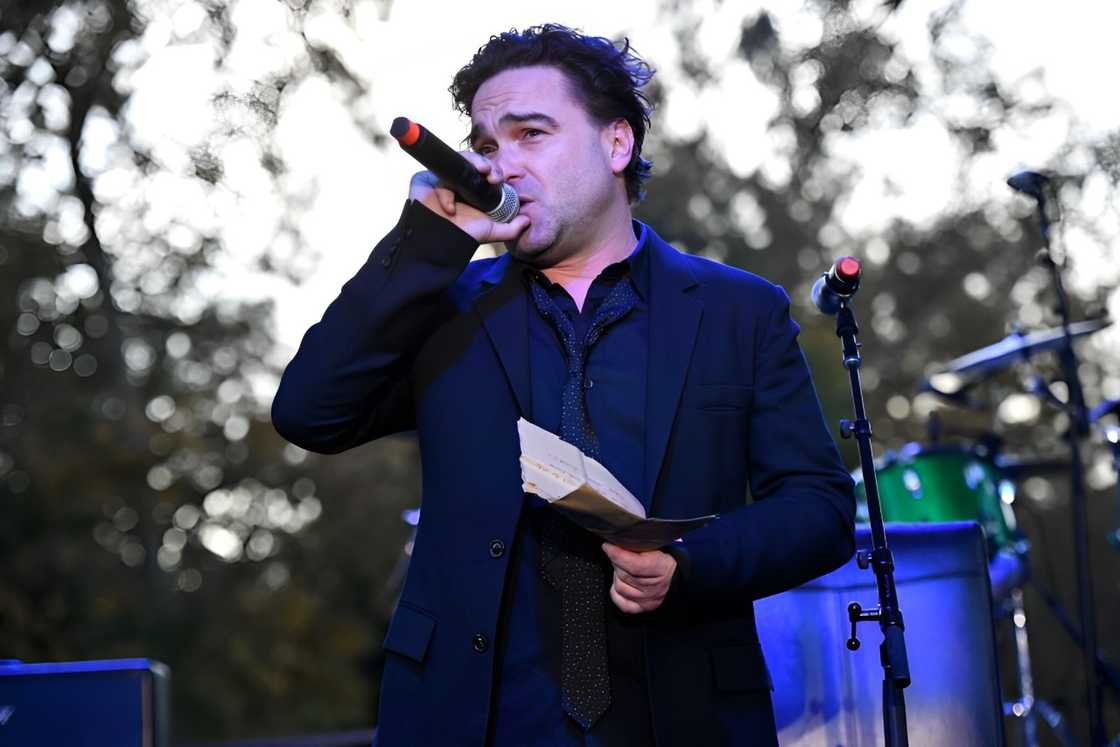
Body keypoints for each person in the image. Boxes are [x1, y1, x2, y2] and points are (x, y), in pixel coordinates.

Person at [272, 24, 855, 747]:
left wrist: (686, 564)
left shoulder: (740, 310)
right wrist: (427, 242)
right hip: (476, 719)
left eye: (531, 135)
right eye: (487, 145)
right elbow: (309, 412)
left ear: (618, 145)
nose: (502, 164)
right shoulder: (444, 305)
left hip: (680, 713)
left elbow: (819, 508)